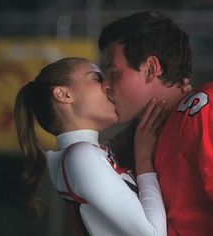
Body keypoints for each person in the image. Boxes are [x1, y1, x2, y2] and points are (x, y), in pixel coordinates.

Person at [14, 57, 169, 236]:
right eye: (96, 79)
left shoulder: (82, 154)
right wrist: (144, 160)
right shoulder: (81, 156)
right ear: (63, 95)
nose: (108, 86)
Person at [99, 10, 213, 236]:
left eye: (114, 72)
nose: (105, 85)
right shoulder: (141, 138)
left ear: (151, 68)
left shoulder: (203, 110)